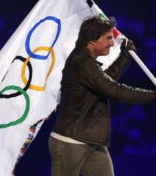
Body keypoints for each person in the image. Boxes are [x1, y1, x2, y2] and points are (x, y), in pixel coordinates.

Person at [49, 16, 156, 176]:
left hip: (92, 142)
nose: (112, 43)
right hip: (70, 142)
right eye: (108, 38)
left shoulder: (86, 62)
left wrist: (125, 56)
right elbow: (113, 90)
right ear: (92, 40)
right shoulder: (81, 62)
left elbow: (105, 82)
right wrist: (153, 96)